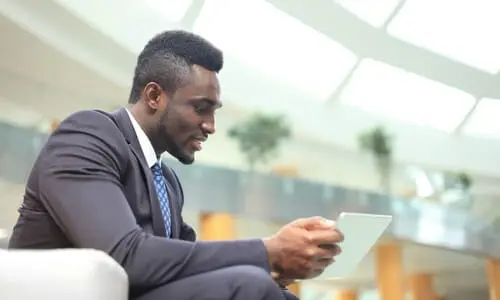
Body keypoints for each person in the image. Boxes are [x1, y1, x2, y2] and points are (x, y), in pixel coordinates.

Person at [8, 30, 344, 300]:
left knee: (274, 290)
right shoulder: (87, 136)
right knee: (248, 286)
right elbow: (125, 256)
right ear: (154, 97)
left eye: (214, 111)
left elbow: (184, 259)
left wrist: (277, 264)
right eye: (201, 108)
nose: (211, 125)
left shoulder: (165, 181)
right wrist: (267, 250)